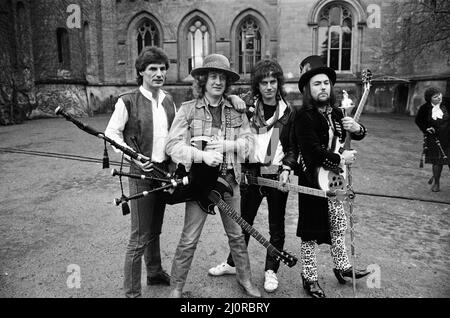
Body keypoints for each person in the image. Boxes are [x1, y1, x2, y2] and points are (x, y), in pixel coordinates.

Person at [165, 53, 261, 298]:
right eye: (213, 76)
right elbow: (172, 146)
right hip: (201, 184)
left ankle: (246, 280)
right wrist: (201, 156)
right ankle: (176, 288)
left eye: (222, 78)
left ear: (227, 83)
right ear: (204, 80)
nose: (218, 81)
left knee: (237, 236)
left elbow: (250, 144)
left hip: (230, 182)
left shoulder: (236, 110)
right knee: (189, 239)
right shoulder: (188, 110)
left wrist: (229, 146)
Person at [284, 55, 370, 298]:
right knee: (310, 231)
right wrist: (342, 159)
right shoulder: (303, 116)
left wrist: (357, 128)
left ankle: (342, 268)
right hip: (313, 180)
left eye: (325, 83)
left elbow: (354, 134)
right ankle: (309, 278)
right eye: (316, 84)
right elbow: (312, 153)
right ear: (307, 90)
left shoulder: (336, 114)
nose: (322, 87)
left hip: (335, 180)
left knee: (338, 223)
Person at [207, 59, 294, 293]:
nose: (269, 87)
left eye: (273, 81)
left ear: (278, 83)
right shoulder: (246, 105)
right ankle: (233, 263)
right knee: (243, 222)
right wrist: (233, 98)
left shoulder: (288, 111)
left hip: (276, 173)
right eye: (264, 82)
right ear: (257, 85)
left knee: (276, 226)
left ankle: (271, 270)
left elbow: (293, 147)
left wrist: (287, 168)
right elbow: (221, 99)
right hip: (250, 173)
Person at [104, 46, 177, 298]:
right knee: (139, 237)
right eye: (153, 69)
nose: (159, 74)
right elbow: (111, 134)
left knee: (155, 230)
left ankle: (155, 273)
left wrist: (174, 167)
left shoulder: (168, 100)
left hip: (163, 172)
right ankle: (132, 293)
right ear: (141, 72)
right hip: (140, 174)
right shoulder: (127, 101)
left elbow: (174, 138)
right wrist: (134, 156)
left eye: (162, 69)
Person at [415, 87, 450, 192]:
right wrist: (426, 128)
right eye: (435, 97)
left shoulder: (448, 102)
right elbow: (418, 120)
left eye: (439, 94)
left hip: (449, 135)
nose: (439, 97)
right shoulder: (424, 108)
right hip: (435, 138)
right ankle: (436, 183)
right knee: (437, 162)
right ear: (430, 99)